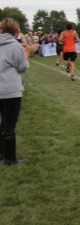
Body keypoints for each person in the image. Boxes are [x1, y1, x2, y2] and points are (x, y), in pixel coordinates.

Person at [0, 18, 39, 165]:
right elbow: (22, 67)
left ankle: (2, 153)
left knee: (3, 123)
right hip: (10, 90)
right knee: (9, 124)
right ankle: (10, 159)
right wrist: (28, 52)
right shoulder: (14, 47)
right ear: (16, 32)